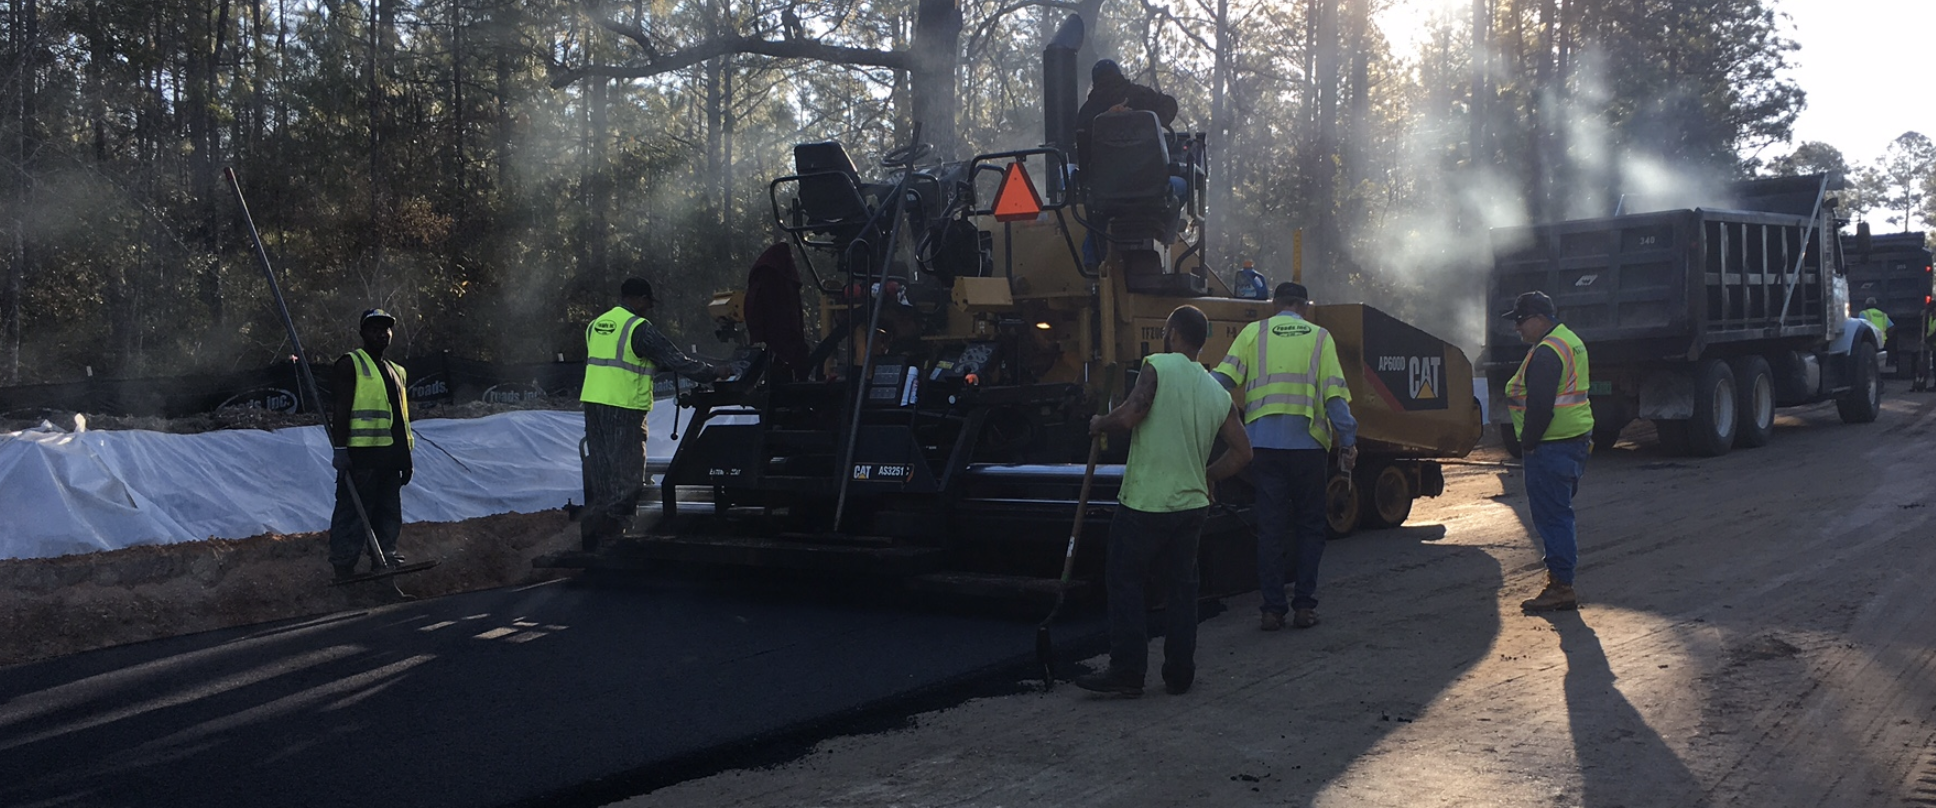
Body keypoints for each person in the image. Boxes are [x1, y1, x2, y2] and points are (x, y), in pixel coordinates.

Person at [1075, 306, 1253, 697]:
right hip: (1191, 508)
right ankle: (1179, 673)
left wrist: (1099, 424)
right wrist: (1207, 474)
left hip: (1146, 502)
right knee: (1181, 589)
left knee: (1125, 581)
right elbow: (1243, 453)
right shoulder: (1215, 390)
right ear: (1202, 340)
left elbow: (1131, 415)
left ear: (1170, 332)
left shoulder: (1158, 365)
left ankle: (1127, 670)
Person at [1212, 282, 1356, 631]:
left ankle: (1272, 610)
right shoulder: (1320, 338)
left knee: (1272, 529)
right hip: (1308, 448)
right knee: (1310, 527)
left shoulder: (1253, 333)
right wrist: (1348, 440)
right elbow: (1334, 397)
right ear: (1304, 306)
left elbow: (1219, 382)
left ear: (1274, 305)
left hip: (1262, 447)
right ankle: (1304, 607)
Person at [580, 277, 718, 552]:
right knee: (628, 469)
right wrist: (713, 373)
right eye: (647, 303)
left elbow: (616, 361)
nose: (649, 309)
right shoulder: (638, 328)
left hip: (594, 403)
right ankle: (617, 530)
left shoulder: (597, 324)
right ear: (640, 299)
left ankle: (600, 523)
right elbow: (674, 359)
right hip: (624, 405)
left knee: (603, 466)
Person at [1501, 291, 1594, 612]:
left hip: (1551, 445)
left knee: (1553, 517)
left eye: (1520, 320)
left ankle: (1561, 586)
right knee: (1560, 512)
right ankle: (1561, 581)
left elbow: (1540, 406)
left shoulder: (1546, 353)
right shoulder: (1568, 340)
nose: (1517, 328)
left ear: (1539, 318)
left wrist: (1527, 441)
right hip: (1574, 439)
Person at [328, 308, 414, 581]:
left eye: (386, 328)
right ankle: (344, 567)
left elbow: (399, 420)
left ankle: (385, 560)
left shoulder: (397, 371)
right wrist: (340, 450)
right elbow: (341, 410)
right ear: (363, 333)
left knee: (388, 513)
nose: (381, 333)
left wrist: (405, 460)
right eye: (374, 328)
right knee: (352, 514)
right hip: (361, 457)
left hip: (388, 458)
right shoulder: (350, 364)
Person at [1074, 59, 1179, 168]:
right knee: (1181, 183)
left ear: (1094, 81)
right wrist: (1149, 120)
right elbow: (1169, 105)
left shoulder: (1087, 111)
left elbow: (1083, 152)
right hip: (1149, 177)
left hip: (1104, 181)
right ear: (1118, 74)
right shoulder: (1140, 95)